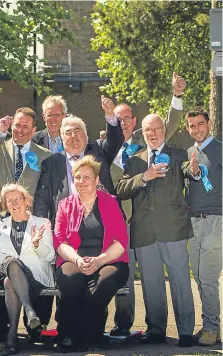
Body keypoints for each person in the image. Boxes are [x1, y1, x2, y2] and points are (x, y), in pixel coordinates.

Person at [110, 72, 185, 337]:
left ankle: (157, 329)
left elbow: (170, 122)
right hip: (116, 222)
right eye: (118, 120)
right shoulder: (105, 145)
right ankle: (123, 324)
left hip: (141, 219)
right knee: (124, 275)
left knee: (152, 277)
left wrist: (176, 96)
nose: (123, 123)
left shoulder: (146, 142)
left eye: (127, 119)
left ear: (134, 123)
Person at [117, 113, 200, 347]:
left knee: (180, 281)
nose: (152, 134)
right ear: (142, 133)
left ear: (163, 130)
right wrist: (145, 176)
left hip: (173, 228)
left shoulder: (178, 154)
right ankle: (156, 330)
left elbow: (187, 170)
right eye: (147, 130)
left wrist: (194, 170)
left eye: (156, 129)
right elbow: (122, 189)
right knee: (151, 284)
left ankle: (185, 331)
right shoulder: (135, 160)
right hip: (144, 231)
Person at [54, 155, 129, 352]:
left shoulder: (110, 202)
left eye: (87, 177)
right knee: (70, 281)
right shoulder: (65, 205)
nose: (82, 182)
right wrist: (78, 260)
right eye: (78, 177)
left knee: (102, 284)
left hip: (109, 258)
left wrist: (99, 260)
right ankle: (69, 331)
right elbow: (60, 242)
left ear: (97, 180)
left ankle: (78, 335)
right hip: (74, 257)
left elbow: (121, 242)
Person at [33, 96, 124, 229]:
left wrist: (110, 115)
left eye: (77, 131)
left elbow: (115, 140)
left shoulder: (98, 151)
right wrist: (41, 225)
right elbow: (42, 198)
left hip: (102, 222)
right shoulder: (51, 163)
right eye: (68, 133)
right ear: (62, 139)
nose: (73, 136)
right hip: (67, 224)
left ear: (86, 135)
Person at [0, 184, 55, 355]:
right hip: (7, 269)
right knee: (12, 264)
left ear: (27, 201)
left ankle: (12, 336)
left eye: (17, 199)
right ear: (5, 206)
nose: (14, 203)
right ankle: (29, 310)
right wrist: (8, 259)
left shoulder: (42, 223)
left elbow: (50, 256)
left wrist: (36, 244)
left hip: (35, 277)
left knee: (9, 282)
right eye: (9, 201)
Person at [185, 108, 222, 346]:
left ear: (208, 124)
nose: (196, 129)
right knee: (198, 276)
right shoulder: (190, 152)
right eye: (191, 126)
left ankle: (212, 327)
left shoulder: (220, 148)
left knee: (208, 277)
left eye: (200, 124)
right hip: (194, 222)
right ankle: (208, 323)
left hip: (215, 220)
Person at [0, 107, 51, 219]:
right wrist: (1, 132)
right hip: (0, 214)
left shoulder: (44, 155)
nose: (20, 130)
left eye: (25, 127)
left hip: (31, 217)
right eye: (17, 125)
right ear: (11, 125)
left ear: (33, 131)